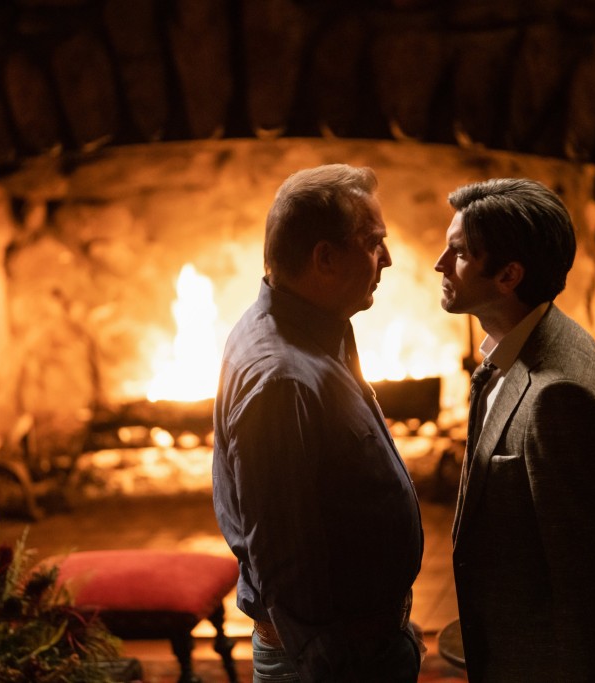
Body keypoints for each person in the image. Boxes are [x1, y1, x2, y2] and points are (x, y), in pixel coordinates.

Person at [437, 178, 595, 682]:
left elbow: (592, 586)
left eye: (456, 253)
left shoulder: (561, 396)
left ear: (508, 276)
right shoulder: (529, 340)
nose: (438, 264)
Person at [212, 164, 425, 682]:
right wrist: (337, 661)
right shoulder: (282, 381)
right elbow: (283, 555)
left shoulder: (313, 325)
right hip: (335, 664)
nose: (388, 259)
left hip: (365, 643)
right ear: (324, 258)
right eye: (373, 242)